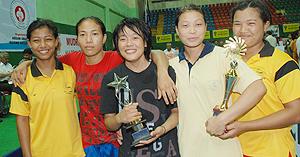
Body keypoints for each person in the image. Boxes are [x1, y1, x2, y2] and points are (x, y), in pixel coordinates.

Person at [12, 16, 177, 157]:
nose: (89, 40)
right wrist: (25, 64)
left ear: (104, 38)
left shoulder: (118, 57)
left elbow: (155, 53)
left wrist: (162, 72)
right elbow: (44, 58)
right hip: (87, 141)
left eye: (95, 34)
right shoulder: (70, 62)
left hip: (118, 138)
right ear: (76, 39)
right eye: (83, 35)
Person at [169, 4, 266, 157]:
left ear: (206, 27)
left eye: (198, 24)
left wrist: (223, 119)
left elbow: (258, 87)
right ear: (176, 30)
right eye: (185, 25)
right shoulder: (171, 66)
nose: (192, 31)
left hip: (224, 149)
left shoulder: (224, 56)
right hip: (188, 149)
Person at [217, 1, 300, 157]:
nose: (243, 30)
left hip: (272, 150)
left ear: (266, 25)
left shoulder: (282, 63)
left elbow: (296, 113)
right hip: (233, 149)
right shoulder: (228, 60)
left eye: (251, 23)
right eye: (237, 24)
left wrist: (244, 126)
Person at [101, 18, 180, 157]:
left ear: (145, 42)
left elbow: (177, 112)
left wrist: (162, 129)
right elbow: (109, 122)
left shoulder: (165, 73)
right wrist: (120, 118)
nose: (129, 44)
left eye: (135, 37)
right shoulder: (111, 78)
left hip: (168, 150)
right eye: (123, 39)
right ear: (117, 44)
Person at [9, 19, 85, 157]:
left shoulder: (70, 72)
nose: (43, 45)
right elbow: (22, 120)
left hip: (74, 152)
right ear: (29, 43)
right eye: (36, 40)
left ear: (56, 41)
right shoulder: (22, 79)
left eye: (48, 39)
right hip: (40, 153)